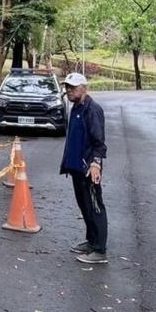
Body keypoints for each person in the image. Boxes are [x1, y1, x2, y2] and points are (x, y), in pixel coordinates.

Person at [60, 72, 108, 265]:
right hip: (76, 169)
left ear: (84, 88)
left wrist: (96, 164)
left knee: (95, 207)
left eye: (72, 87)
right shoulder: (76, 108)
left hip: (89, 170)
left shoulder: (92, 110)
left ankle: (99, 250)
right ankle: (91, 241)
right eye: (67, 87)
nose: (69, 91)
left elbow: (99, 143)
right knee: (85, 207)